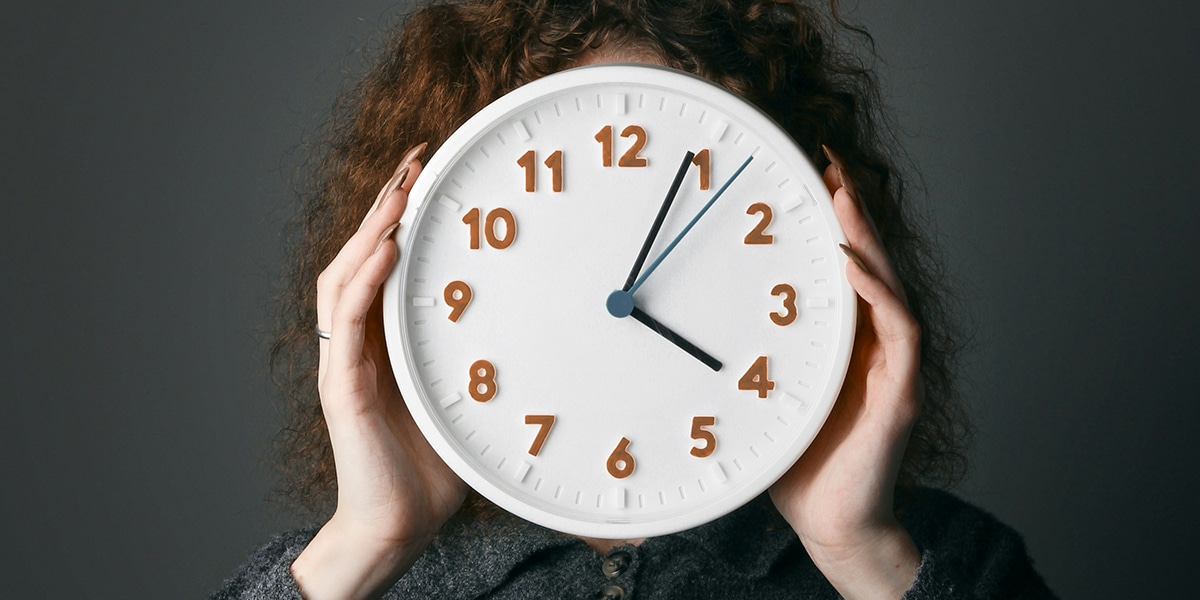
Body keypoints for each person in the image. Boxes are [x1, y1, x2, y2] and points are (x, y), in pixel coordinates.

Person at [214, 0, 1055, 598]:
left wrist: (862, 553)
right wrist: (362, 551)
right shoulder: (334, 581)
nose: (618, 300)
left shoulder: (946, 568)